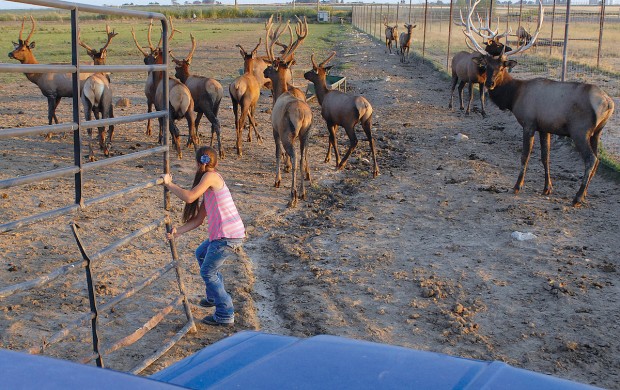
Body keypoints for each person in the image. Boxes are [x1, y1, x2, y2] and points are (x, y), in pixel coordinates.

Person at [162, 146, 245, 327]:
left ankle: (225, 313)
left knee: (208, 272)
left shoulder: (211, 177)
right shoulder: (209, 186)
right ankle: (213, 296)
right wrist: (179, 231)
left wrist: (169, 184)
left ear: (200, 163)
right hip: (224, 235)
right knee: (201, 253)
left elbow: (190, 197)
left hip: (227, 236)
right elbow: (199, 219)